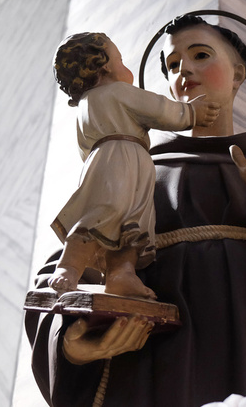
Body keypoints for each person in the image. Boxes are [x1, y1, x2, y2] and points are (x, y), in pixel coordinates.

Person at [25, 15, 246, 406]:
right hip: (159, 376)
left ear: (238, 73)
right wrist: (75, 345)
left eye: (200, 55)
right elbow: (62, 275)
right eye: (173, 65)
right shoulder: (137, 169)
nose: (186, 70)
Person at [49, 32, 220, 299]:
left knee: (135, 221)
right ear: (104, 64)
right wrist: (191, 113)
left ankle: (120, 276)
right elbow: (158, 109)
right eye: (120, 59)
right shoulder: (118, 92)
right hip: (119, 160)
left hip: (120, 162)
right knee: (106, 210)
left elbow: (85, 149)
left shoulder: (85, 105)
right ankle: (69, 267)